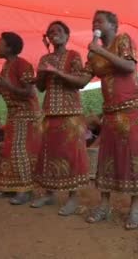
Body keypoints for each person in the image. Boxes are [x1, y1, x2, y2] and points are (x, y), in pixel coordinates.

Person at [79, 10, 138, 230]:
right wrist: (60, 73)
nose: (94, 23)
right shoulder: (93, 52)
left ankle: (135, 208)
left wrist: (100, 52)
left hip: (132, 108)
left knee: (133, 154)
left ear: (113, 24)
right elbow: (83, 80)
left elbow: (129, 66)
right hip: (111, 111)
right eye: (93, 20)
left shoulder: (122, 39)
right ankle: (104, 205)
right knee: (107, 155)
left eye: (100, 20)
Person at [31, 21, 89, 216]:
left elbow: (79, 82)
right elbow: (40, 88)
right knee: (49, 153)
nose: (54, 34)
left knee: (71, 154)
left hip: (70, 112)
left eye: (58, 31)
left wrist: (56, 71)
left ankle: (73, 198)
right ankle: (50, 193)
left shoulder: (74, 56)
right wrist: (40, 73)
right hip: (50, 111)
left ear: (67, 35)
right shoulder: (44, 57)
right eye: (50, 33)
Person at [0, 32, 42, 205]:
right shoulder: (6, 66)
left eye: (0, 44)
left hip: (26, 114)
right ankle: (10, 187)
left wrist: (7, 86)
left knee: (20, 151)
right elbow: (5, 90)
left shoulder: (23, 64)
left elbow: (29, 91)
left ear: (9, 47)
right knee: (9, 152)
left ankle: (25, 190)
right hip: (13, 114)